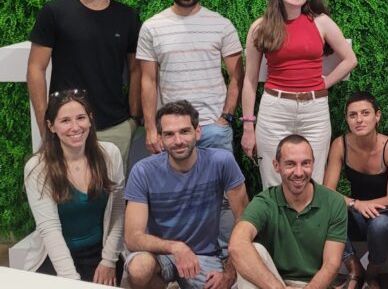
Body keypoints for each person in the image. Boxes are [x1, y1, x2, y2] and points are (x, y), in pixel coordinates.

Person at [241, 0, 357, 187]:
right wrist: (248, 126)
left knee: (313, 180)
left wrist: (322, 85)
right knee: (273, 180)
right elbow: (250, 79)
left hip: (315, 112)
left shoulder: (321, 22)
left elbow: (350, 60)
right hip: (274, 111)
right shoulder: (260, 27)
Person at [27, 0, 142, 160]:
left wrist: (134, 118)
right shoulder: (54, 12)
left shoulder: (128, 16)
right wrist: (46, 125)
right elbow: (35, 69)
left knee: (114, 184)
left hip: (115, 128)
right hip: (67, 128)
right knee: (66, 184)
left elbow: (136, 68)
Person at [124, 100, 249, 288]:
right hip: (158, 253)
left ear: (197, 132)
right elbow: (132, 237)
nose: (178, 141)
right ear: (160, 138)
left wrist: (230, 270)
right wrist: (175, 247)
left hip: (202, 255)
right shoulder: (143, 171)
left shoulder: (221, 162)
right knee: (139, 268)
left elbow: (244, 220)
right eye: (169, 134)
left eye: (184, 131)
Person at [137, 0, 243, 154]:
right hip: (172, 130)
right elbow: (148, 81)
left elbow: (237, 76)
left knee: (219, 176)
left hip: (213, 129)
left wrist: (226, 117)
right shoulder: (152, 27)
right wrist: (151, 129)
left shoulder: (222, 25)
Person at [23, 90, 125, 285]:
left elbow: (118, 212)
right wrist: (71, 281)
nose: (75, 127)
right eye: (65, 121)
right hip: (55, 258)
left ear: (90, 119)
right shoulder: (37, 167)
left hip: (101, 256)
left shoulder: (110, 154)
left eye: (81, 118)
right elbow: (50, 229)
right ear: (51, 126)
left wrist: (109, 260)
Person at [230, 135, 348, 289]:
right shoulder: (265, 202)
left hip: (315, 285)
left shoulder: (333, 202)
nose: (299, 172)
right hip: (272, 281)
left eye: (305, 163)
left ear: (313, 164)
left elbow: (331, 265)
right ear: (276, 165)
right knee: (252, 251)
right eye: (290, 164)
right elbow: (237, 245)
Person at [324, 92, 388, 289]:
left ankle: (372, 273)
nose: (359, 120)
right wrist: (356, 204)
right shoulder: (340, 144)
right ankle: (355, 268)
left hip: (385, 212)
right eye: (353, 115)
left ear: (377, 116)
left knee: (380, 225)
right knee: (324, 212)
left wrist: (364, 205)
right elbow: (327, 191)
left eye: (365, 113)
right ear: (347, 119)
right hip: (355, 212)